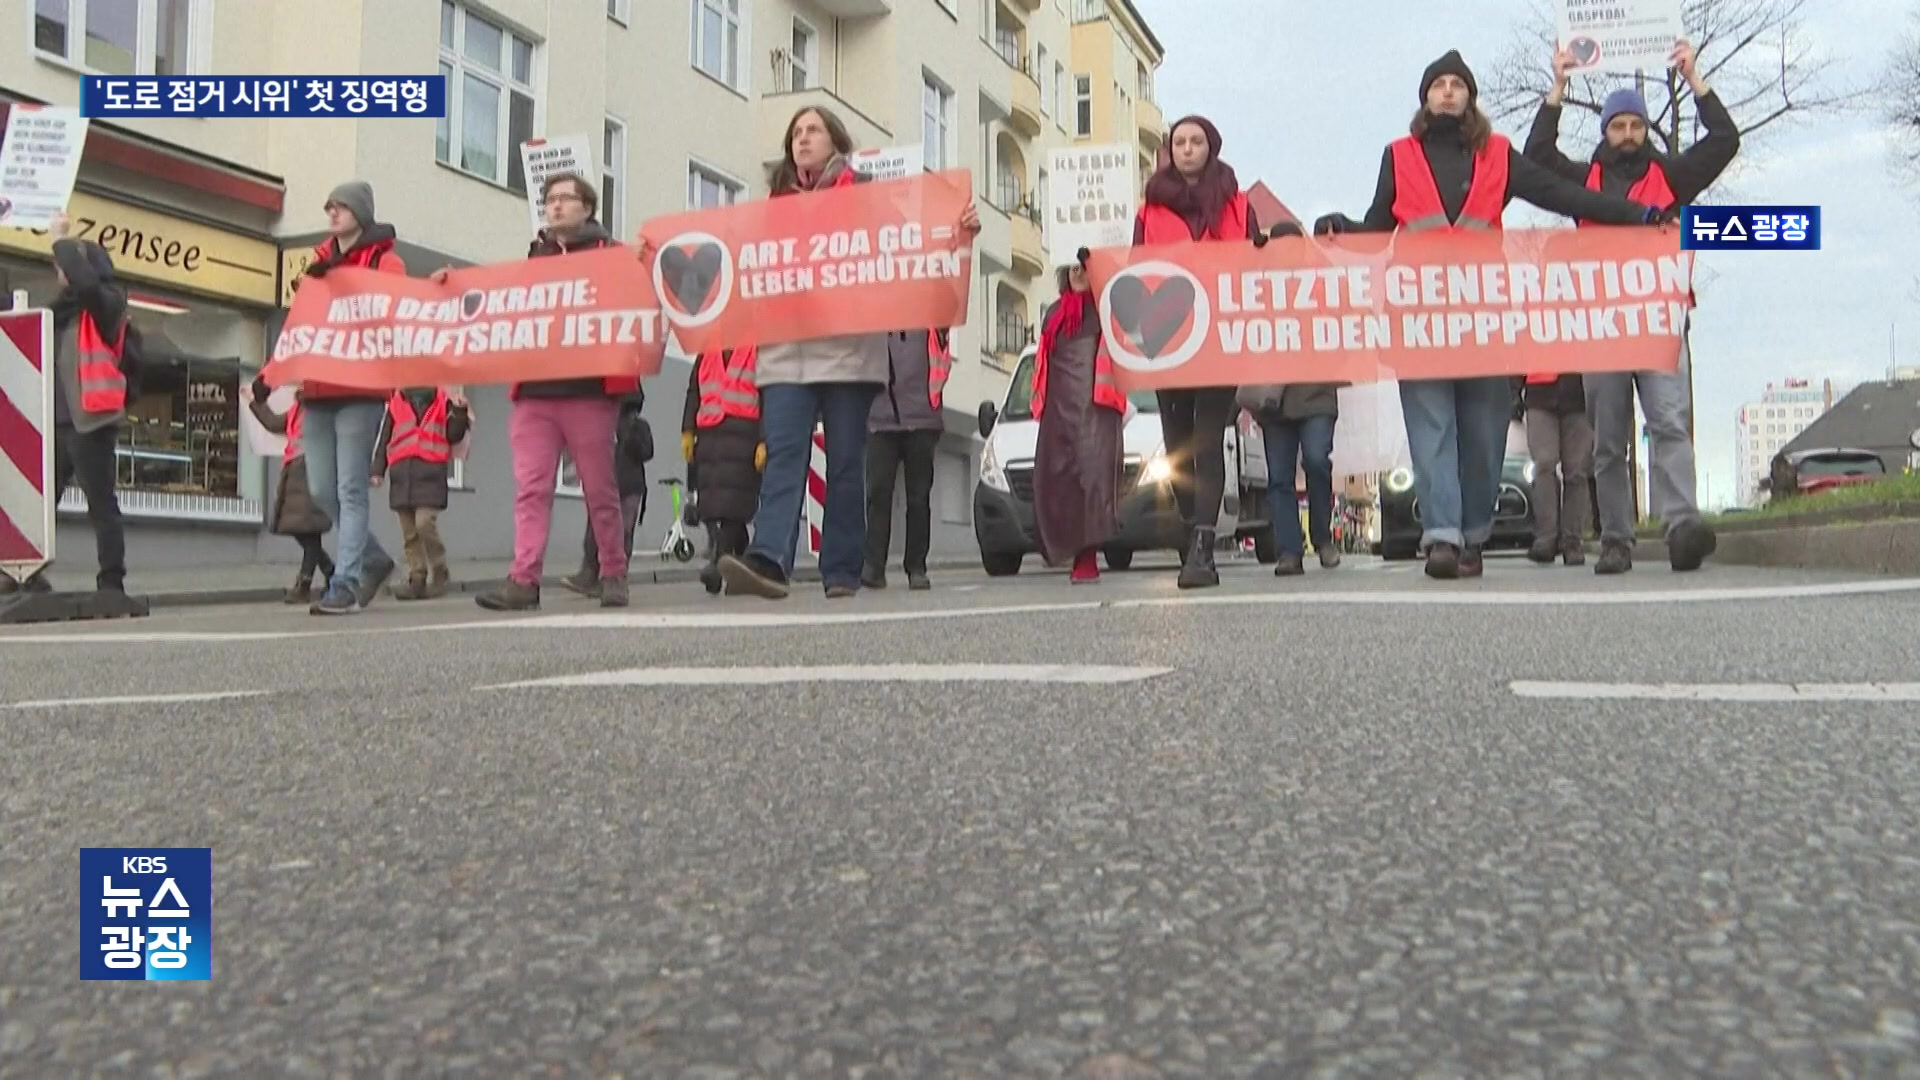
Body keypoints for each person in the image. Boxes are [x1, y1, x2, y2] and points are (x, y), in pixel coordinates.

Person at [1314, 50, 1664, 580]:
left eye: (1458, 84)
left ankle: (1474, 533)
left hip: (1482, 316)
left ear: (1471, 98)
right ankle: (1443, 538)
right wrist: (1339, 226)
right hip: (1419, 315)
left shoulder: (1498, 154)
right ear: (1426, 97)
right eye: (1439, 84)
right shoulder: (1398, 154)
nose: (1449, 92)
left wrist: (1634, 214)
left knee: (1482, 433)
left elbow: (1565, 194)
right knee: (1431, 430)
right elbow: (1379, 225)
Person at [691, 106, 979, 600]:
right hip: (785, 354)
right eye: (796, 131)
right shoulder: (773, 208)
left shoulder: (868, 200)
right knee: (784, 455)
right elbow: (739, 265)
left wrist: (957, 237)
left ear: (835, 141)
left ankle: (842, 569)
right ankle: (769, 560)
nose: (802, 139)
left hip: (848, 354)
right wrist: (666, 257)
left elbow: (906, 251)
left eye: (813, 130)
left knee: (846, 461)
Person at [1526, 38, 1740, 574]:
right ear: (1605, 132)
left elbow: (1724, 140)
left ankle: (1682, 526)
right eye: (1618, 126)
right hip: (1602, 326)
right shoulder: (1584, 182)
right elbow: (1536, 160)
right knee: (1608, 439)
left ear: (1645, 130)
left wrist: (1694, 78)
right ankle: (1616, 539)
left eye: (1635, 126)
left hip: (1660, 322)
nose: (1628, 135)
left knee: (1669, 421)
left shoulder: (1671, 176)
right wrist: (1558, 87)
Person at [467, 171, 638, 611]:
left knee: (600, 489)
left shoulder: (612, 256)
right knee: (531, 488)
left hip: (589, 392)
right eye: (550, 199)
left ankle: (612, 571)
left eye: (566, 198)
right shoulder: (534, 260)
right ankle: (524, 579)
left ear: (588, 207)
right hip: (536, 394)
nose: (557, 205)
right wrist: (455, 287)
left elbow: (637, 297)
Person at [1135, 115, 1263, 590]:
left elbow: (1253, 264)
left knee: (1207, 441)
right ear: (1171, 149)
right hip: (1167, 340)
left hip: (1217, 340)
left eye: (1197, 141)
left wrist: (1264, 250)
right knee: (1176, 448)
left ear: (1212, 147)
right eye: (1180, 142)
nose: (1188, 149)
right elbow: (1135, 266)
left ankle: (1203, 548)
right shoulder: (1149, 207)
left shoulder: (1236, 202)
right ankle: (1192, 528)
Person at [1, 213, 135, 604]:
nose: (59, 272)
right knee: (36, 506)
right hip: (53, 423)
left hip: (91, 420)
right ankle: (24, 572)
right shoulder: (60, 313)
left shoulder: (105, 304)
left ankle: (112, 580)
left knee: (100, 504)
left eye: (64, 266)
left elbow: (88, 283)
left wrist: (59, 238)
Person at [294, 181, 405, 615]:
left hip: (360, 388)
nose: (332, 213)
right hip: (319, 388)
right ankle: (374, 560)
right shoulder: (319, 263)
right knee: (323, 490)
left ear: (362, 213)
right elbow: (301, 324)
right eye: (329, 207)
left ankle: (346, 581)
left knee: (350, 488)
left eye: (341, 206)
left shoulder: (385, 261)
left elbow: (394, 309)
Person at [1237, 220, 1343, 576]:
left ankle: (1322, 538)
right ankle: (1289, 550)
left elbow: (1345, 298)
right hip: (1274, 397)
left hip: (1315, 389)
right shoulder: (1259, 286)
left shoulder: (1321, 281)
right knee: (1279, 476)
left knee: (1316, 460)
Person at [1031, 255, 1127, 585]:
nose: (1079, 273)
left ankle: (1086, 556)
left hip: (1096, 408)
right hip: (1058, 409)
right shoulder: (1054, 314)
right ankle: (1061, 545)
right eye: (1073, 267)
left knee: (1093, 478)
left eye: (1085, 267)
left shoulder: (1107, 309)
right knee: (1057, 478)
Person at [861, 328, 953, 591]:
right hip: (880, 418)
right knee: (878, 493)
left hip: (922, 417)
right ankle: (874, 566)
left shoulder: (930, 316)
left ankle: (916, 567)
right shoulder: (874, 316)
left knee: (918, 497)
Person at [370, 386, 471, 599]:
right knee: (409, 532)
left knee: (424, 523)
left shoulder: (443, 401)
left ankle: (439, 567)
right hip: (401, 476)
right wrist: (378, 470)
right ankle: (417, 577)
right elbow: (384, 439)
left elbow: (453, 434)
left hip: (430, 474)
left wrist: (460, 411)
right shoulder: (396, 403)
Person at [680, 347, 764, 595]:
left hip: (743, 435)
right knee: (711, 504)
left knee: (733, 504)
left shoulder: (755, 348)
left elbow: (767, 394)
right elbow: (694, 390)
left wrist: (764, 438)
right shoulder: (708, 349)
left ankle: (719, 563)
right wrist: (687, 429)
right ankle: (737, 558)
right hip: (709, 437)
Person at [246, 376, 334, 604]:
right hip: (296, 473)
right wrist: (257, 403)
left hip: (310, 471)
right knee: (302, 530)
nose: (301, 387)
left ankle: (305, 583)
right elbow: (275, 424)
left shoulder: (320, 410)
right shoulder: (298, 409)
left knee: (308, 531)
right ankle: (330, 572)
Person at [562, 388, 653, 599]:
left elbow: (646, 452)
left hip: (629, 486)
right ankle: (593, 574)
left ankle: (611, 576)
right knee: (598, 528)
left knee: (620, 532)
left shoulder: (634, 425)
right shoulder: (603, 422)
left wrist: (631, 433)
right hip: (613, 484)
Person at [1520, 372, 1591, 566]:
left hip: (1580, 396)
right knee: (1543, 465)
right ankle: (1545, 538)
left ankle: (1572, 541)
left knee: (1576, 471)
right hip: (1539, 393)